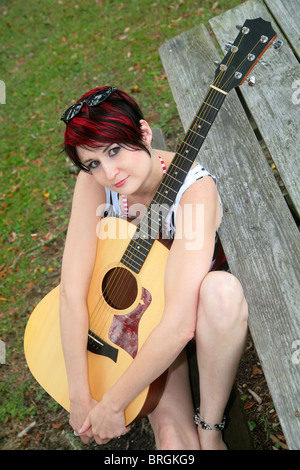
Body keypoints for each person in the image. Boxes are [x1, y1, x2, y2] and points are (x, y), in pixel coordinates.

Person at [59, 86, 248, 450]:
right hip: (138, 324)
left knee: (221, 293)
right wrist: (80, 396)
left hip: (191, 317)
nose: (109, 173)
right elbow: (71, 291)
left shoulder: (194, 191)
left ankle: (212, 432)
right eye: (93, 162)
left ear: (144, 134)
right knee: (172, 442)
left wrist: (113, 404)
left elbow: (179, 325)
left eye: (114, 150)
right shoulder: (94, 185)